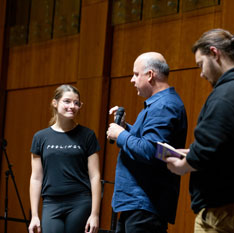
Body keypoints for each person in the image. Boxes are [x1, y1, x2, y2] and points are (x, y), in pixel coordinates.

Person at [166, 29, 234, 233]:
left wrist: (183, 165)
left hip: (229, 207)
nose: (201, 73)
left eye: (201, 64)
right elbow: (233, 146)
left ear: (214, 53)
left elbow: (208, 148)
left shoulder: (228, 93)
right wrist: (192, 153)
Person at [106, 52, 188, 233]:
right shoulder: (160, 104)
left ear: (150, 75)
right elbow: (155, 145)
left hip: (145, 204)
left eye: (136, 74)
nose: (132, 80)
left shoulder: (163, 106)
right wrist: (126, 129)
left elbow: (150, 150)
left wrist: (120, 135)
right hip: (139, 204)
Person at [28, 84, 101, 233]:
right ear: (55, 103)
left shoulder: (87, 135)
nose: (72, 106)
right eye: (67, 101)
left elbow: (95, 176)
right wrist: (34, 215)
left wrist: (95, 214)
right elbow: (36, 178)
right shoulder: (40, 137)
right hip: (51, 203)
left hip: (80, 202)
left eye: (76, 103)